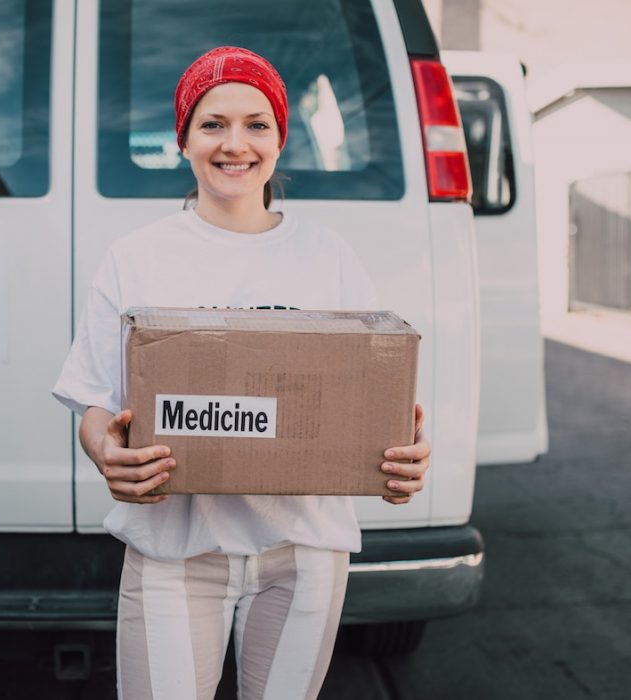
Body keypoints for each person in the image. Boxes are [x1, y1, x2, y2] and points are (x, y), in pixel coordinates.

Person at [53, 46, 431, 700]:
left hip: (304, 552)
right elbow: (93, 399)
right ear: (184, 140)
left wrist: (403, 459)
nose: (236, 144)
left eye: (257, 124)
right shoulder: (136, 257)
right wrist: (103, 451)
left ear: (283, 139)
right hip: (174, 549)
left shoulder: (328, 257)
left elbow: (380, 404)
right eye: (213, 124)